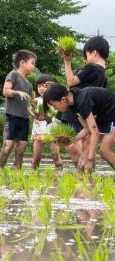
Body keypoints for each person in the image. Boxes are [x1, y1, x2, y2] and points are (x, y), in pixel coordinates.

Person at [59, 36, 110, 169]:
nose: (85, 59)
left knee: (76, 146)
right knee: (87, 145)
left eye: (86, 55)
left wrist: (67, 61)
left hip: (79, 109)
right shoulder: (103, 75)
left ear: (94, 53)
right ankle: (86, 175)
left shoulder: (91, 67)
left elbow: (70, 82)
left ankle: (82, 173)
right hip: (90, 112)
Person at [43, 84, 115, 172]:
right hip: (105, 118)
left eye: (54, 106)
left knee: (104, 150)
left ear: (63, 99)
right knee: (88, 146)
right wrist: (71, 140)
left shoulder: (82, 101)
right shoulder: (74, 104)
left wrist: (90, 159)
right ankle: (85, 176)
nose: (56, 109)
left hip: (111, 115)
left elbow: (94, 132)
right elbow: (87, 128)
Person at [0, 50, 35, 169]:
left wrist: (34, 114)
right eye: (32, 63)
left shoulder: (29, 84)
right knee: (8, 146)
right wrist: (17, 92)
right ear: (22, 63)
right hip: (12, 117)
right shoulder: (13, 74)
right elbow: (5, 91)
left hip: (24, 119)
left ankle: (17, 173)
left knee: (21, 149)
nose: (33, 67)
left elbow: (28, 105)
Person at [29, 74, 62, 170]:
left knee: (56, 157)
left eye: (44, 86)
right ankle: (34, 177)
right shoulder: (35, 100)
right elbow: (30, 110)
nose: (41, 88)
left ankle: (59, 176)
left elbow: (57, 113)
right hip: (38, 132)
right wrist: (34, 115)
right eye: (39, 86)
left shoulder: (55, 100)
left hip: (52, 132)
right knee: (36, 158)